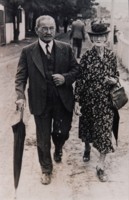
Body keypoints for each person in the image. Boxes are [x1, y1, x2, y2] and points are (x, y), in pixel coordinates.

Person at [15, 15, 79, 185]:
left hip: (62, 100)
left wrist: (65, 78)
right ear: (37, 30)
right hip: (39, 102)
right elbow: (20, 77)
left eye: (51, 28)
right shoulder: (27, 51)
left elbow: (76, 70)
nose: (48, 32)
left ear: (55, 29)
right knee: (42, 138)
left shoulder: (66, 48)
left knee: (62, 133)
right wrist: (20, 96)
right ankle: (46, 169)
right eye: (44, 28)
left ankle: (58, 147)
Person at [74, 22, 119, 182]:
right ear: (92, 38)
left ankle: (100, 166)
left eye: (102, 36)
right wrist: (78, 101)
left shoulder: (112, 56)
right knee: (88, 129)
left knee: (105, 134)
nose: (99, 39)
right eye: (96, 36)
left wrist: (114, 80)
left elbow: (116, 75)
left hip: (106, 103)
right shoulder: (86, 57)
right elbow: (79, 80)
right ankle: (86, 147)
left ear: (106, 38)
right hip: (89, 101)